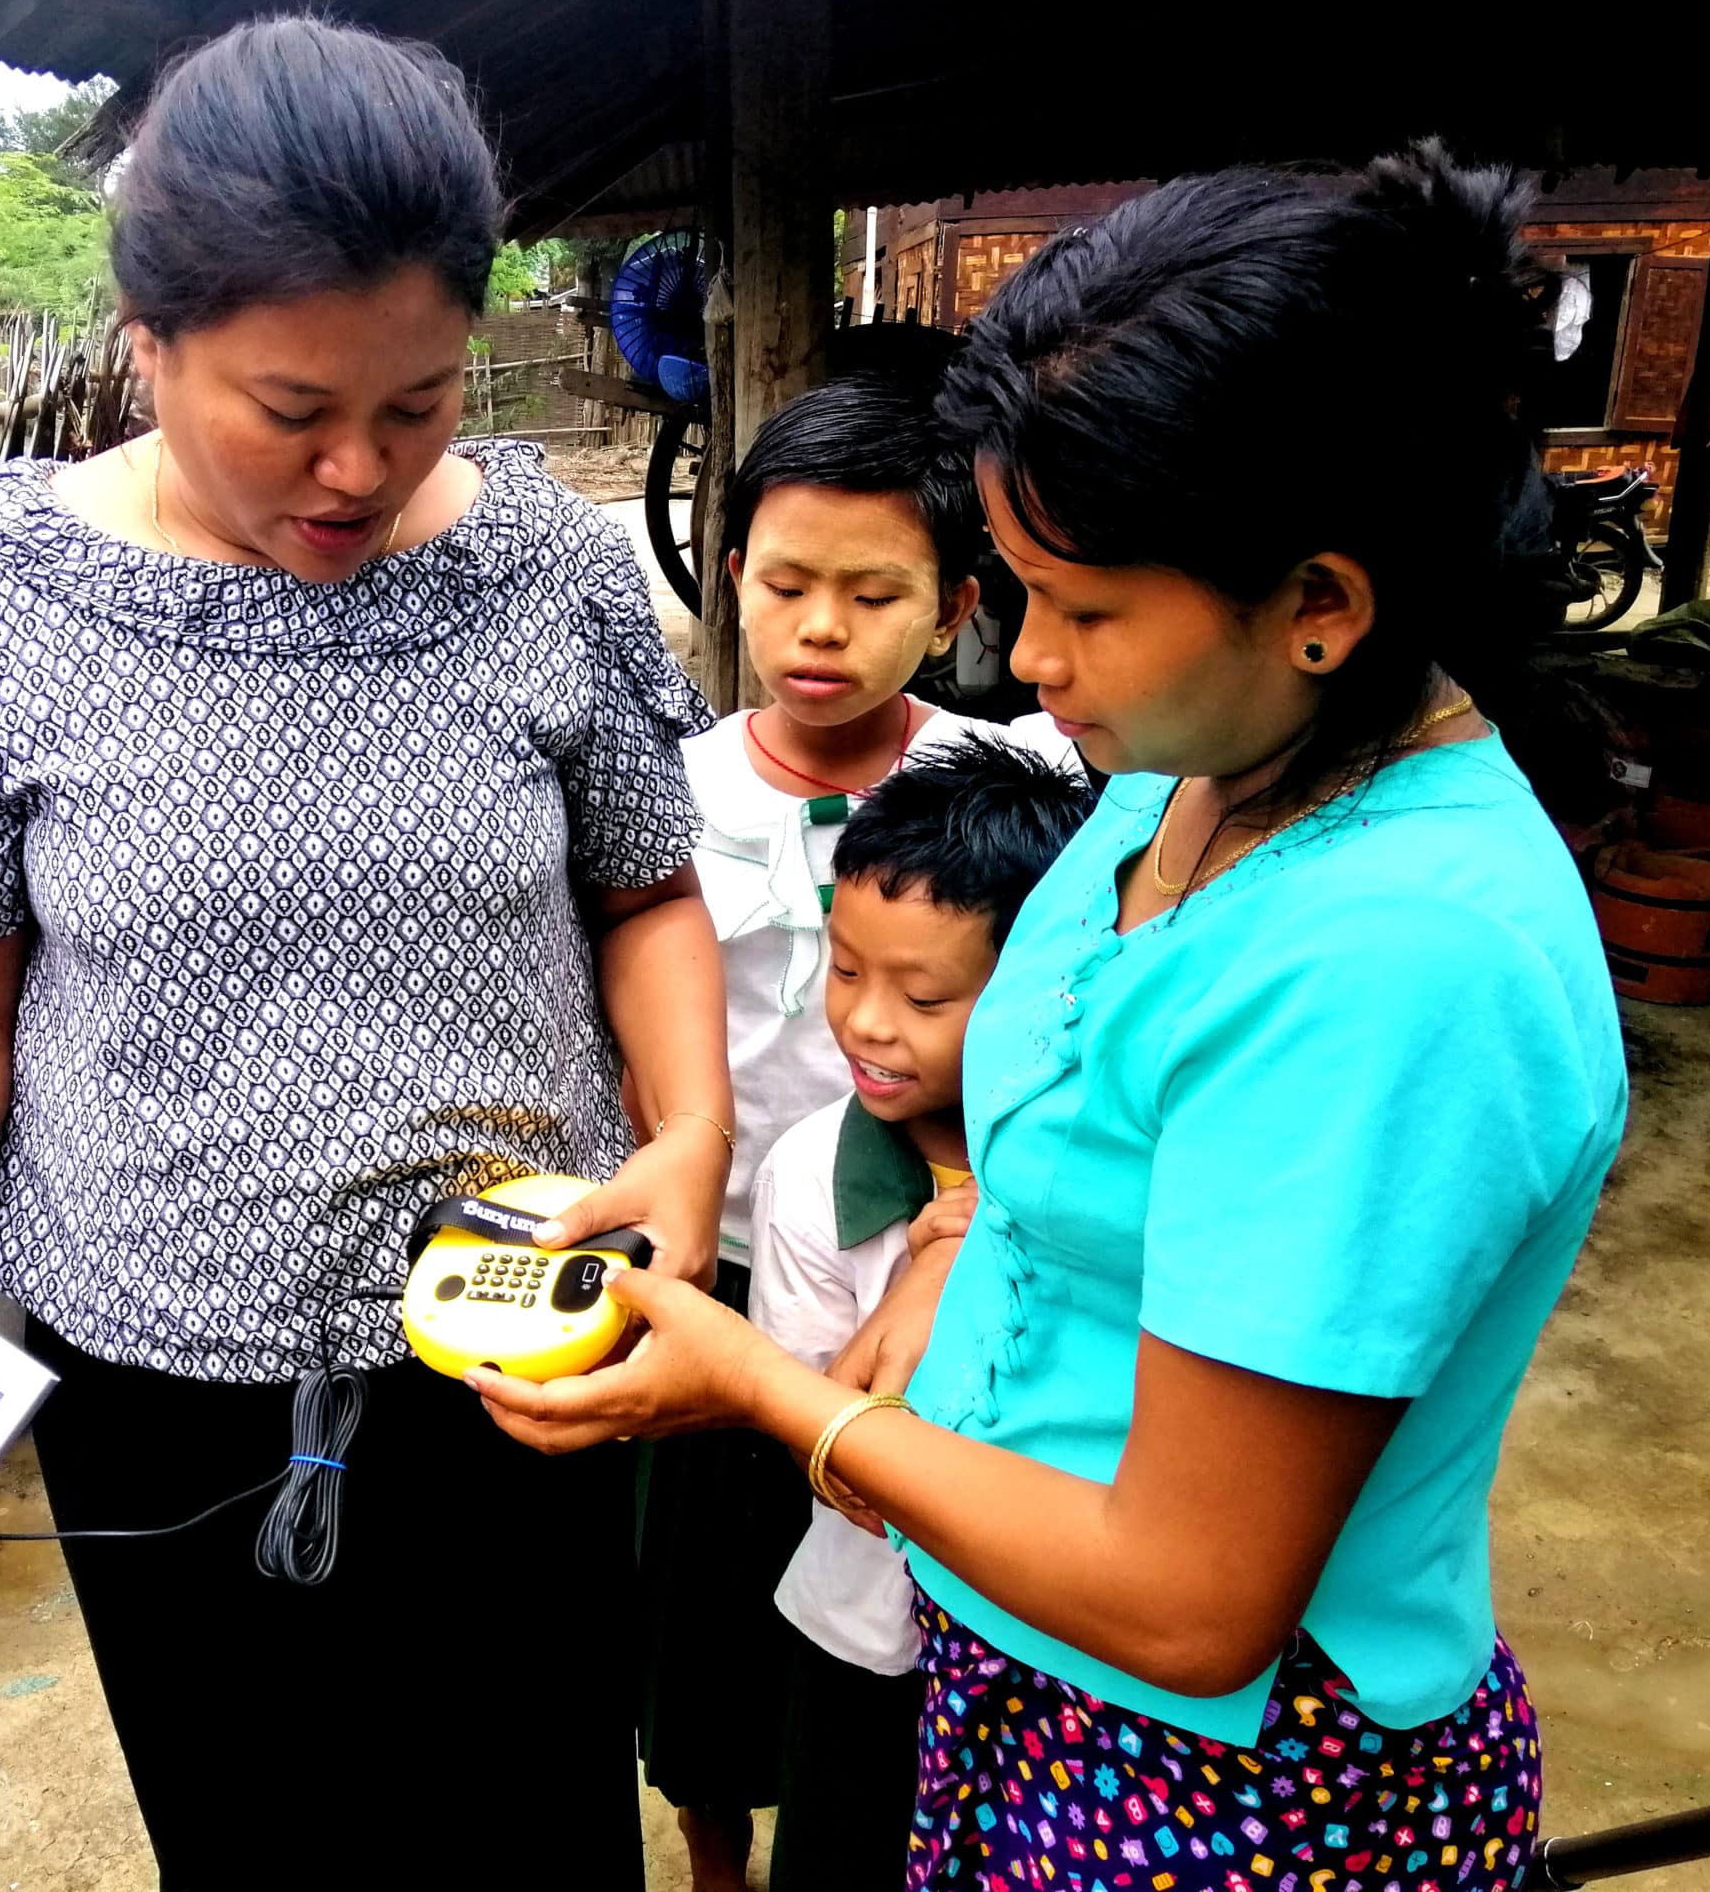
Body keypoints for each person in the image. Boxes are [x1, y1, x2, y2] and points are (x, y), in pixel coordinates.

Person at [0, 17, 731, 1889]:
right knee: (255, 1842)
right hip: (154, 1397)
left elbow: (645, 892)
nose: (358, 469)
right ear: (148, 339)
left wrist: (684, 1143)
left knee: (531, 1832)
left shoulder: (547, 564)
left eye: (420, 400)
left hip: (530, 1348)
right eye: (291, 410)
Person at [476, 141, 1629, 1892]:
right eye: (1015, 590)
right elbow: (1068, 1106)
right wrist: (950, 1245)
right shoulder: (1181, 776)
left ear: (1321, 604)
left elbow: (1190, 1605)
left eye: (1081, 609)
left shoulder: (1397, 968)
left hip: (1232, 1787)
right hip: (1023, 1677)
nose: (1019, 660)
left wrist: (788, 1403)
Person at [643, 377, 1071, 1891]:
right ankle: (710, 1847)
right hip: (725, 1277)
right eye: (784, 583)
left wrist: (973, 1212)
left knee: (882, 1611)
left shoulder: (1022, 788)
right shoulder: (669, 799)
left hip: (930, 1262)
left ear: (956, 604)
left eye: (873, 592)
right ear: (731, 574)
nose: (821, 626)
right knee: (701, 1631)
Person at [747, 735, 1091, 1892]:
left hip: (1043, 1654)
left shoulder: (1100, 1182)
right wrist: (914, 1284)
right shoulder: (807, 1174)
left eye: (925, 994)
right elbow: (815, 1435)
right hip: (864, 1641)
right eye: (845, 971)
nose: (868, 1024)